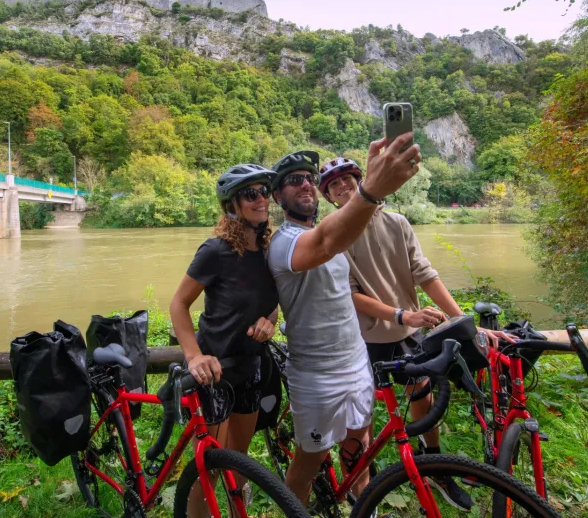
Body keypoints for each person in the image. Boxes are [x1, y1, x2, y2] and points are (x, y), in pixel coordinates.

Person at [318, 157, 510, 510]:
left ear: (362, 181)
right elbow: (350, 293)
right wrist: (402, 313)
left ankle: (433, 469)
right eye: (334, 185)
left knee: (422, 400)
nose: (343, 186)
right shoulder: (333, 232)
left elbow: (425, 274)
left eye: (348, 179)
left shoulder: (398, 223)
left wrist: (462, 321)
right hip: (364, 339)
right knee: (359, 419)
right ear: (328, 196)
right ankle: (363, 491)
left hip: (408, 333)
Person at [267, 134, 421, 506]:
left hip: (356, 363)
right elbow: (324, 243)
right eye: (292, 180)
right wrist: (370, 189)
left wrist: (367, 192)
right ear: (277, 197)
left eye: (307, 177)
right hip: (316, 375)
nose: (304, 183)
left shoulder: (328, 232)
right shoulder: (285, 241)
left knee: (359, 448)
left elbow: (342, 233)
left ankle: (360, 506)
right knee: (309, 461)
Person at [170, 164, 280, 513]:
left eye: (264, 191)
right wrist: (194, 357)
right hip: (214, 369)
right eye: (251, 193)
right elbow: (178, 304)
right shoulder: (215, 251)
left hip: (251, 365)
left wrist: (270, 322)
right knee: (211, 467)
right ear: (232, 205)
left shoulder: (271, 250)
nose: (261, 199)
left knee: (239, 459)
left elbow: (271, 304)